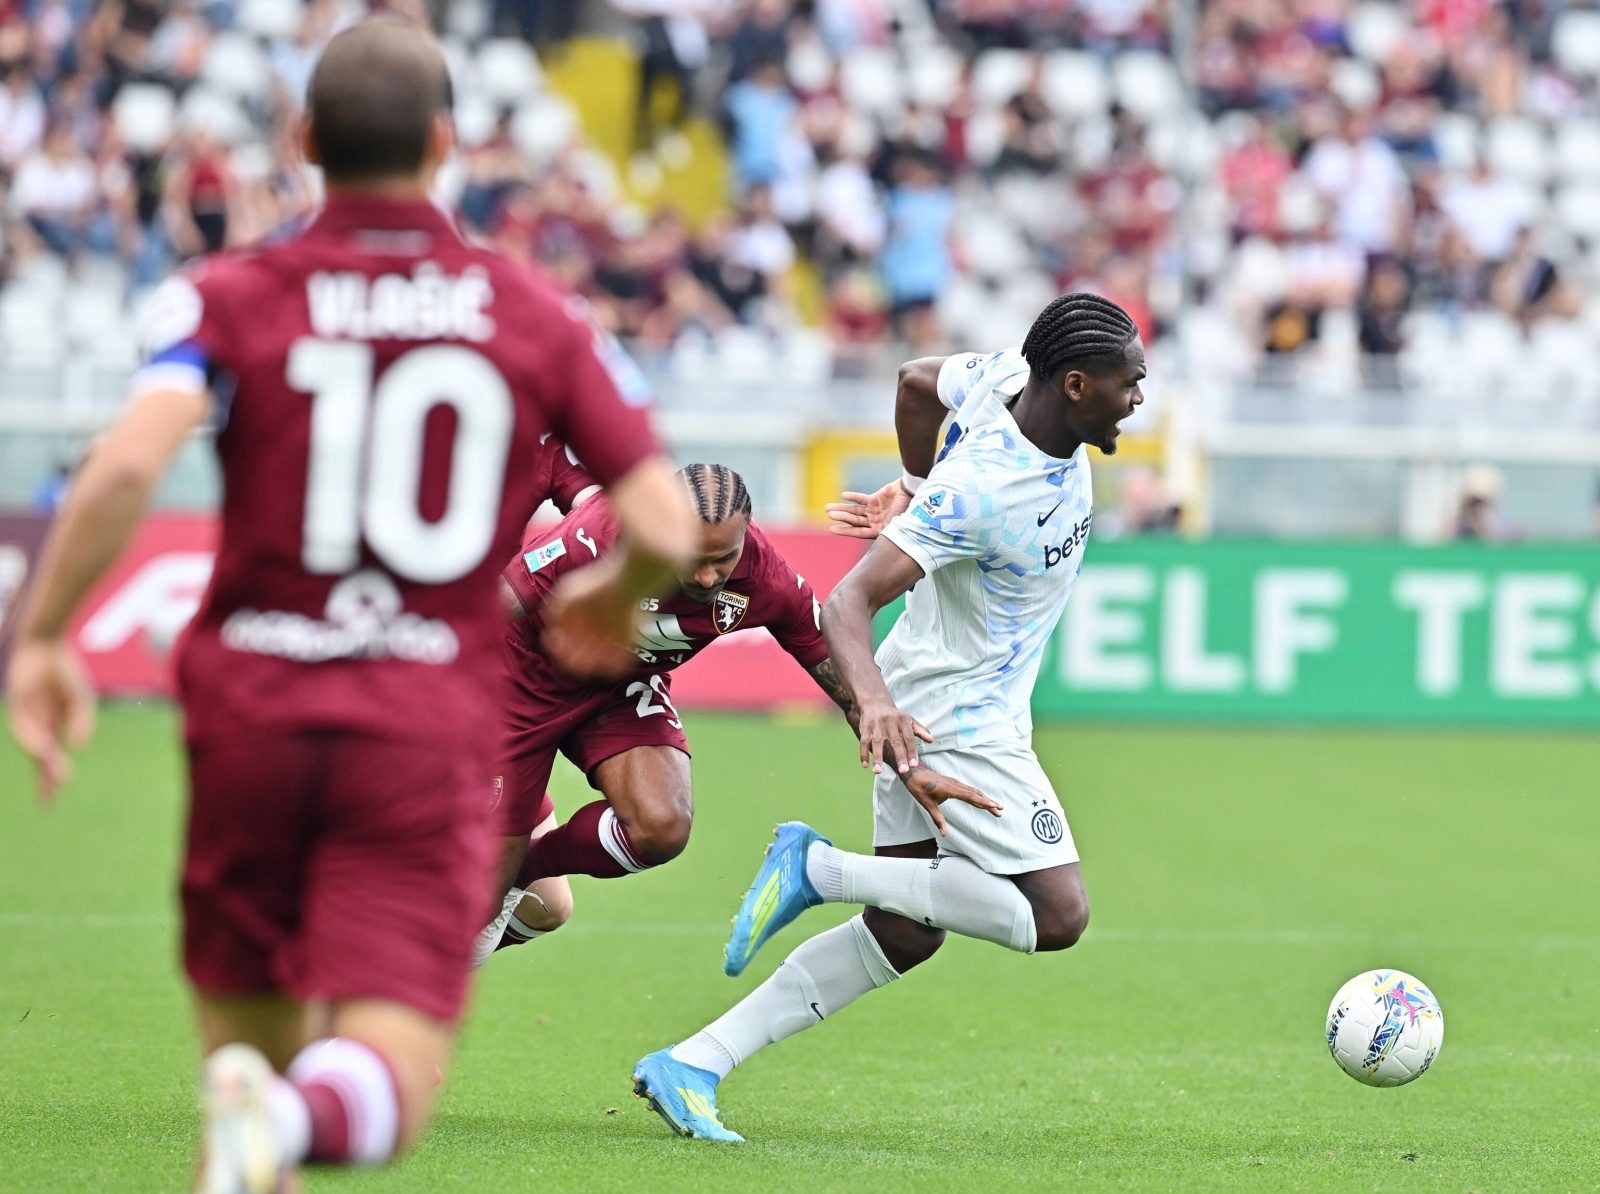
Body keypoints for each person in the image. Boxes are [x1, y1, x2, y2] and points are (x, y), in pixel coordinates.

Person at [3, 18, 697, 1193]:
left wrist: (44, 635)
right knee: (378, 1079)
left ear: (304, 139)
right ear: (445, 144)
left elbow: (122, 471)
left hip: (251, 713)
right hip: (417, 723)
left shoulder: (221, 293)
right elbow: (669, 523)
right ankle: (293, 1119)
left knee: (245, 1072)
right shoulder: (537, 315)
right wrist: (615, 592)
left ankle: (264, 1118)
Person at [631, 293, 1147, 1141]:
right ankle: (818, 869)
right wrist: (875, 703)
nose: (1138, 399)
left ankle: (694, 1062)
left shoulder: (1005, 377)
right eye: (1129, 384)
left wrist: (910, 487)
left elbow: (913, 381)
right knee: (1057, 916)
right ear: (1077, 385)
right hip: (957, 717)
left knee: (904, 933)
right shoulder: (984, 491)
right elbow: (846, 602)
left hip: (936, 685)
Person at [476, 462, 973, 963]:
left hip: (622, 688)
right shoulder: (603, 534)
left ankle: (518, 874)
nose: (706, 576)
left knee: (660, 828)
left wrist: (912, 770)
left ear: (747, 532)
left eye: (723, 559)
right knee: (480, 906)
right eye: (692, 557)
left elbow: (849, 692)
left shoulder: (767, 578)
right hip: (520, 686)